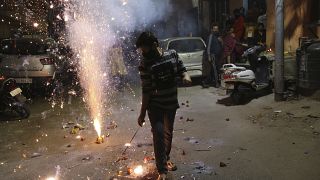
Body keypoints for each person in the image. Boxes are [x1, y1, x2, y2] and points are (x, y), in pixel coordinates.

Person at [135, 32, 192, 180]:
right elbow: (146, 90)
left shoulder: (172, 54)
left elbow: (182, 69)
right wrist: (142, 114)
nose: (143, 52)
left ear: (154, 45)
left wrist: (186, 76)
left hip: (171, 103)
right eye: (141, 50)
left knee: (168, 133)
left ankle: (165, 159)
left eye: (144, 49)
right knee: (159, 135)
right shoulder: (144, 63)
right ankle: (162, 171)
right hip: (155, 106)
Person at [202, 23, 223, 88]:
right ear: (212, 30)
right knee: (215, 70)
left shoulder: (219, 37)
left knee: (217, 70)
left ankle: (208, 81)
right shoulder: (211, 36)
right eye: (214, 29)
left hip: (218, 56)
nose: (216, 30)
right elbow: (208, 47)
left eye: (217, 29)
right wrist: (209, 56)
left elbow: (222, 46)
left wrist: (221, 41)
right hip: (212, 55)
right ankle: (216, 83)